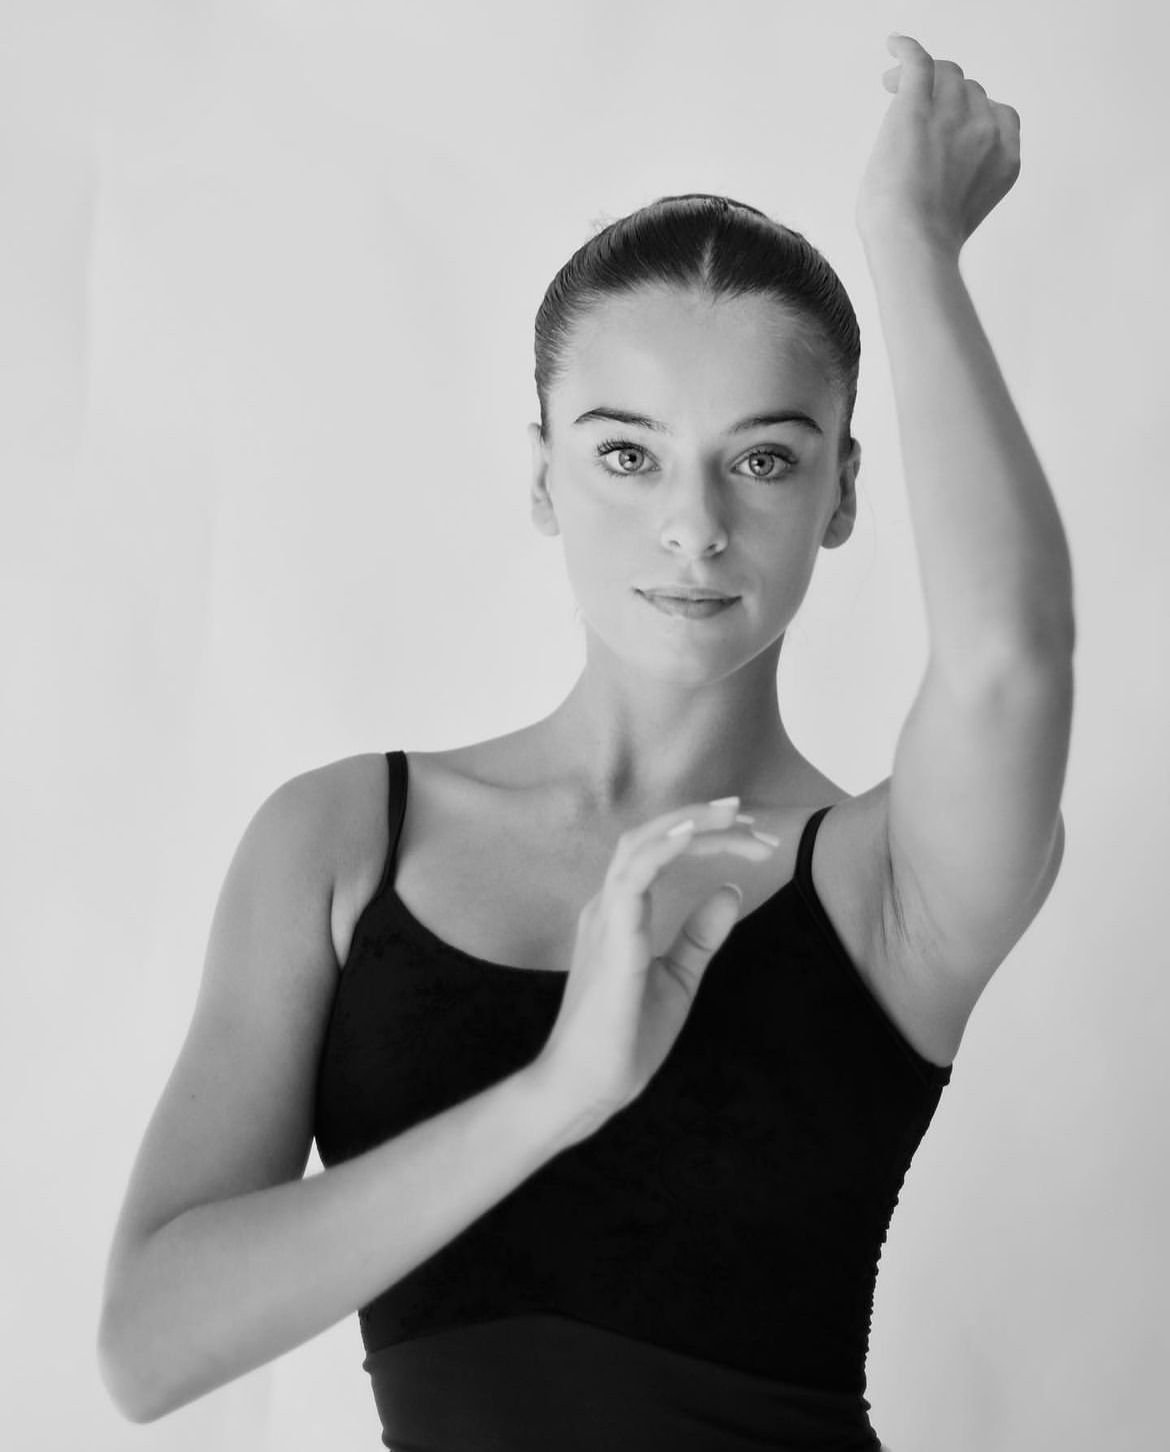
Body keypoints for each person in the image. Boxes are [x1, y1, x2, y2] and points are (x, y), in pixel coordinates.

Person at [96, 33, 1075, 1452]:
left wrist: (910, 242)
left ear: (842, 493)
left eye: (763, 458)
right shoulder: (343, 842)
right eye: (627, 453)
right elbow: (147, 1350)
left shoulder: (890, 885)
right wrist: (559, 1091)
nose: (693, 527)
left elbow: (1008, 661)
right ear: (544, 473)